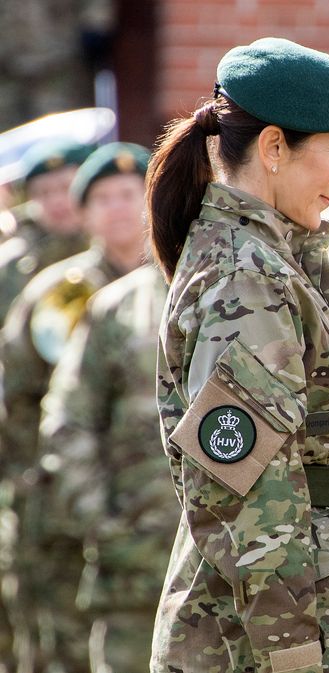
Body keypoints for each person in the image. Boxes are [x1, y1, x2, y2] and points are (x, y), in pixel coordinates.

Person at [145, 37, 329, 673]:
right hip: (263, 633)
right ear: (275, 147)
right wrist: (294, 656)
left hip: (280, 609)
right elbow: (243, 491)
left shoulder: (267, 259)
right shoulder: (246, 274)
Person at [0, 141, 149, 673]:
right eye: (103, 198)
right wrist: (46, 483)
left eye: (129, 194)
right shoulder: (55, 292)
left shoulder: (178, 286)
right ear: (85, 215)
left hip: (155, 512)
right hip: (67, 512)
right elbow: (17, 400)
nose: (118, 209)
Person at [37, 262, 175, 673]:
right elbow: (68, 422)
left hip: (236, 578)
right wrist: (102, 521)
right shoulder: (117, 307)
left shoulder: (248, 289)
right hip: (135, 572)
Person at [0, 138, 93, 322]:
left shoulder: (120, 244)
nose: (56, 201)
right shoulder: (13, 263)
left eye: (66, 187)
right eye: (43, 193)